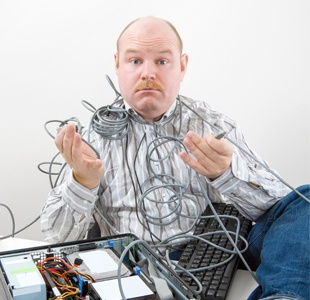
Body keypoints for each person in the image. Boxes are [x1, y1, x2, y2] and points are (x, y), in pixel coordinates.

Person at [40, 16, 309, 300]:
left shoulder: (212, 126)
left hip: (218, 251)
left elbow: (281, 208)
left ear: (182, 67)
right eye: (134, 61)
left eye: (162, 62)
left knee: (305, 201)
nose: (147, 73)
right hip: (132, 264)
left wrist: (227, 175)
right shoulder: (91, 139)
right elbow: (56, 240)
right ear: (117, 65)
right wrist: (84, 181)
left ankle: (284, 296)